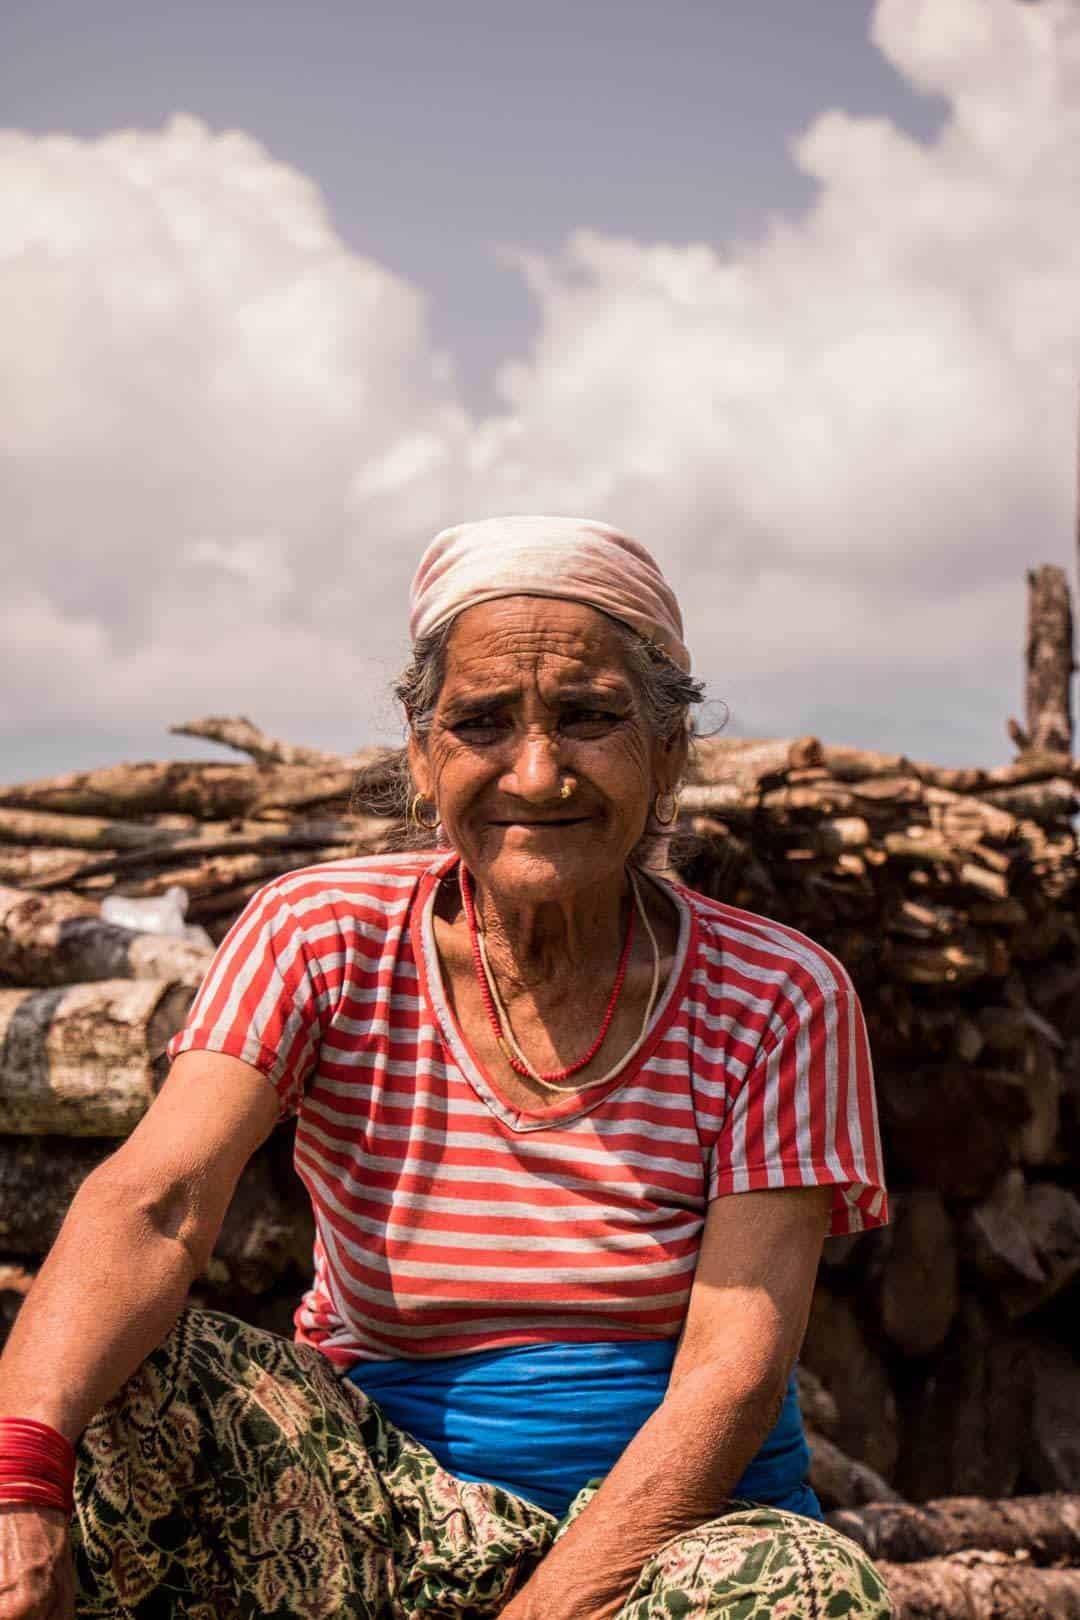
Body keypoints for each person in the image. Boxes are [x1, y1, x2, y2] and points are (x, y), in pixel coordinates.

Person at [0, 516, 892, 1620]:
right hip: (386, 1521)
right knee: (143, 1380)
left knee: (803, 1589)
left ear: (668, 756)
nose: (536, 770)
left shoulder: (778, 993)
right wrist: (20, 1485)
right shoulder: (318, 936)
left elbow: (734, 1373)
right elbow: (155, 1201)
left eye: (588, 718)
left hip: (675, 1552)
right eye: (480, 723)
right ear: (424, 761)